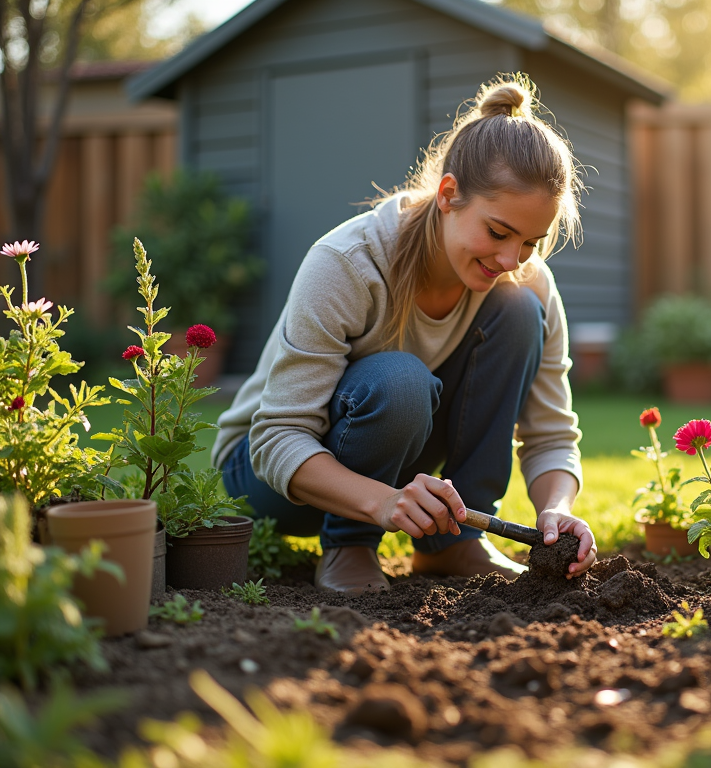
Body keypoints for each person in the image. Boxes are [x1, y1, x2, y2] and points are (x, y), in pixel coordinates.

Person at [214, 74, 597, 594]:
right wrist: (382, 502)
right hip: (272, 479)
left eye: (530, 242)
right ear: (448, 194)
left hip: (389, 461)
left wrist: (556, 510)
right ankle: (349, 544)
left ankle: (454, 541)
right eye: (498, 232)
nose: (511, 259)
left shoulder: (523, 282)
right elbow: (277, 438)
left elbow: (551, 434)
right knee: (399, 380)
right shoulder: (348, 265)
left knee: (520, 310)